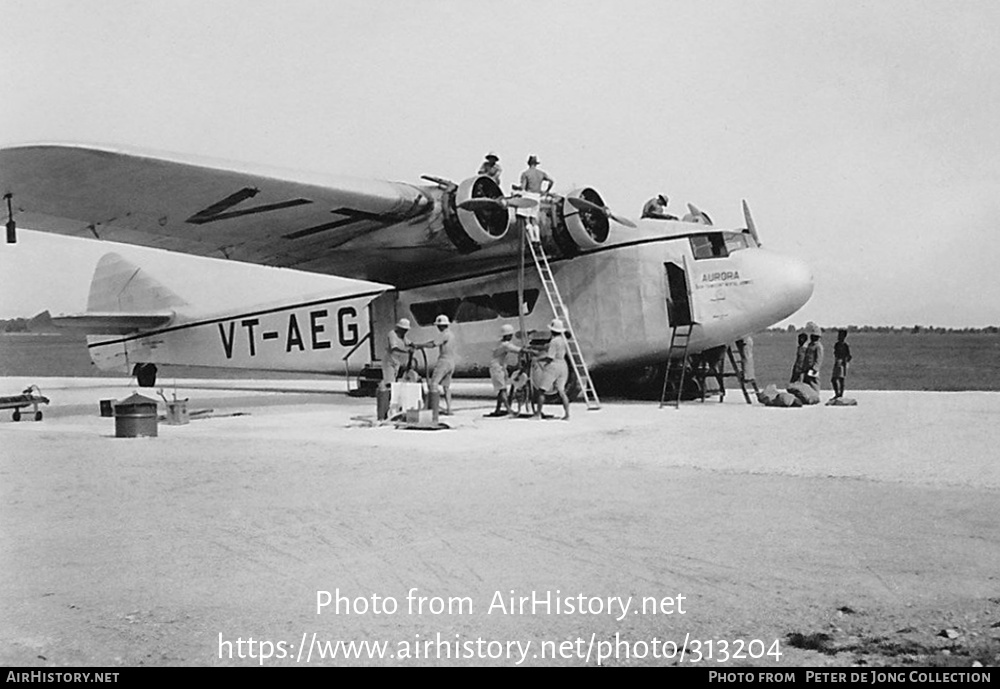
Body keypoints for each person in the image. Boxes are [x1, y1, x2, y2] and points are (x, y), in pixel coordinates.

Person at [531, 318, 571, 420]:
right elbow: (547, 348)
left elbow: (549, 357)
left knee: (541, 390)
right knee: (562, 391)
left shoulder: (554, 341)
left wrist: (538, 359)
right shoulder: (563, 341)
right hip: (563, 365)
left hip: (554, 366)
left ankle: (538, 414)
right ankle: (567, 414)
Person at [422, 314, 457, 415]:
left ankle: (433, 408)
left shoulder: (444, 334)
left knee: (433, 384)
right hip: (451, 362)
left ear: (441, 326)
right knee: (446, 387)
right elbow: (434, 342)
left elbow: (433, 344)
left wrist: (419, 345)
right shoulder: (451, 334)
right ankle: (449, 408)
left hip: (444, 361)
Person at [486, 324, 522, 416]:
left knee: (501, 389)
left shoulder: (501, 343)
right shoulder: (505, 345)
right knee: (502, 390)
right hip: (496, 368)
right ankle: (509, 410)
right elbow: (518, 350)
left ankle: (498, 409)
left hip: (500, 367)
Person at [517, 156, 553, 242]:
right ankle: (537, 238)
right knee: (534, 219)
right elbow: (552, 181)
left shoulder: (525, 173)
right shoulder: (541, 173)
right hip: (537, 196)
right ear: (536, 164)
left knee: (526, 218)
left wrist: (516, 188)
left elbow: (523, 187)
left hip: (528, 195)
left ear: (528, 163)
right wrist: (546, 191)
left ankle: (532, 239)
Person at [381, 318, 413, 390]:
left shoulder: (402, 336)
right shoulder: (392, 334)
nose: (405, 332)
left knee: (394, 380)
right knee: (389, 382)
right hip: (389, 361)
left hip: (397, 361)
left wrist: (417, 346)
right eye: (404, 329)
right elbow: (394, 348)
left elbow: (409, 343)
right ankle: (386, 396)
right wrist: (406, 351)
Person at [800, 322, 824, 392]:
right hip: (807, 366)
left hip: (813, 368)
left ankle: (816, 393)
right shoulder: (810, 345)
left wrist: (815, 368)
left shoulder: (818, 346)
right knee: (806, 381)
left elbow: (819, 358)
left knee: (814, 382)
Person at [831, 329, 852, 399]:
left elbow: (849, 356)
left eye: (841, 335)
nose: (839, 337)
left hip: (842, 364)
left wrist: (844, 361)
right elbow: (835, 353)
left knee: (841, 379)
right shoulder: (836, 345)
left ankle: (840, 394)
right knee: (834, 379)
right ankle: (837, 393)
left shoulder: (845, 345)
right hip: (837, 363)